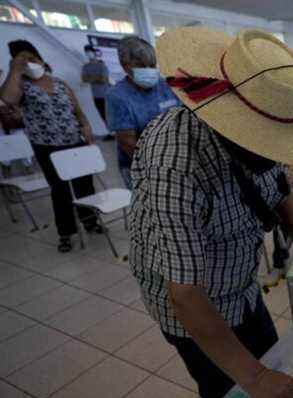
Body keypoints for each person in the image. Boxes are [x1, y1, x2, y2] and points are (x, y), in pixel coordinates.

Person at [129, 27, 293, 398]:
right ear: (233, 124)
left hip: (241, 285)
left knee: (271, 363)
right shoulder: (175, 164)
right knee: (232, 397)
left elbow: (276, 183)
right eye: (269, 143)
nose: (276, 153)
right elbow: (186, 294)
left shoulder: (260, 125)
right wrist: (256, 379)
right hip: (194, 308)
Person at [1, 40, 101, 252]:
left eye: (32, 58)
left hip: (75, 140)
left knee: (85, 185)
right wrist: (15, 69)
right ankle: (66, 233)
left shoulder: (60, 83)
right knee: (60, 190)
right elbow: (7, 98)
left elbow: (77, 110)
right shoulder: (21, 87)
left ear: (41, 59)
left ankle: (91, 222)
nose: (30, 63)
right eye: (23, 60)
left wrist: (85, 125)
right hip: (47, 146)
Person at [105, 36, 179, 190]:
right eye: (141, 65)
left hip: (175, 158)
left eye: (152, 65)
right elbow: (127, 142)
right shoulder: (118, 96)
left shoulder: (165, 87)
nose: (148, 70)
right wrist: (159, 168)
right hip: (141, 164)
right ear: (125, 66)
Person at [81, 45, 110, 137]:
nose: (88, 53)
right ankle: (110, 132)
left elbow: (104, 80)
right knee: (103, 115)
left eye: (89, 51)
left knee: (110, 115)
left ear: (94, 52)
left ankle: (117, 132)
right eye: (86, 52)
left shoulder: (102, 65)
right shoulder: (86, 67)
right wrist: (97, 78)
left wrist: (91, 78)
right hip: (96, 96)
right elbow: (84, 79)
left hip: (106, 94)